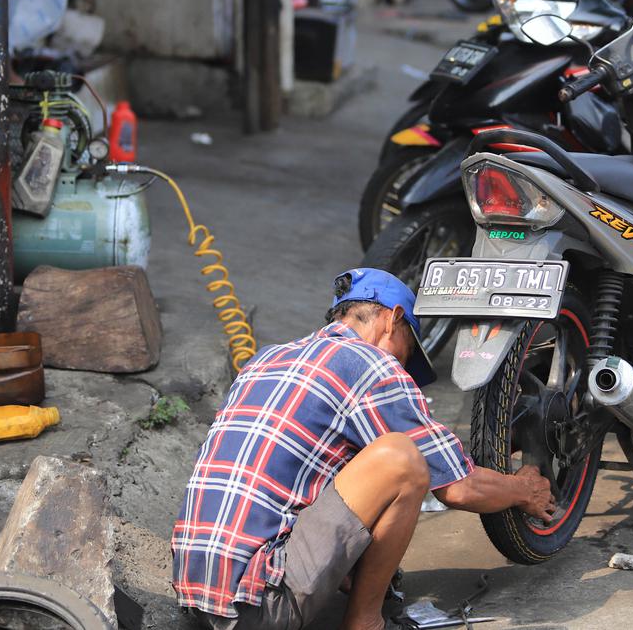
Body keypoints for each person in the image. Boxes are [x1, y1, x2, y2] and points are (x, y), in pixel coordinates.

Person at [172, 268, 555, 629]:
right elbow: (458, 487)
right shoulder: (371, 364)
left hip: (197, 592)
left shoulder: (267, 359)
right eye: (407, 352)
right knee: (402, 458)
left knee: (348, 456)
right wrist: (523, 489)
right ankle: (366, 622)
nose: (403, 367)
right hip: (259, 606)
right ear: (393, 319)